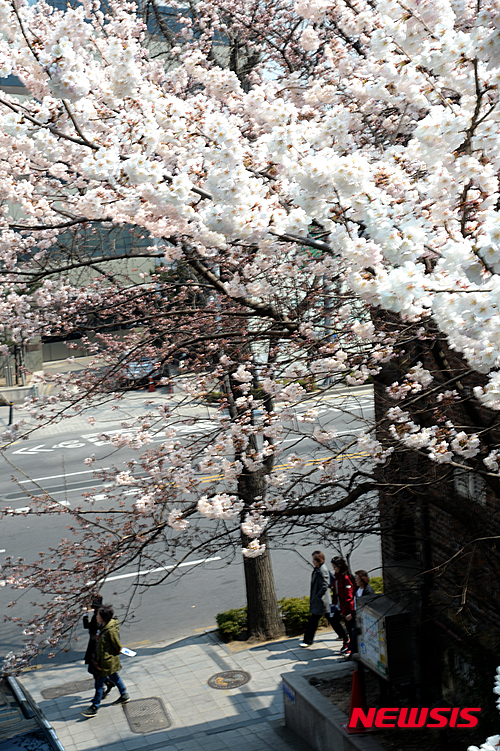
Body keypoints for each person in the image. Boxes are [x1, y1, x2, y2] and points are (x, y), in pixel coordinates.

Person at [81, 605, 130, 718]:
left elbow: (117, 646)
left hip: (105, 662)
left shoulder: (110, 631)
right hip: (102, 660)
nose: (96, 616)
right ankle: (124, 694)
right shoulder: (101, 626)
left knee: (98, 685)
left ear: (103, 617)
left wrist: (109, 656)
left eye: (98, 615)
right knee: (114, 677)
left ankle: (94, 707)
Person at [300, 550, 348, 647]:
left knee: (313, 621)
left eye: (314, 559)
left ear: (319, 560)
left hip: (322, 601)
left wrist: (318, 595)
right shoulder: (318, 569)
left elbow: (325, 584)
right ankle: (343, 635)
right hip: (322, 601)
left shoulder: (322, 570)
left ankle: (307, 640)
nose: (313, 561)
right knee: (332, 619)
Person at [83, 594, 115, 699]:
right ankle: (107, 682)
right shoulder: (98, 614)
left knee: (95, 669)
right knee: (94, 669)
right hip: (93, 645)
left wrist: (85, 615)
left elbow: (88, 626)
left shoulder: (99, 616)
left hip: (95, 646)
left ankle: (102, 691)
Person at [330, 556, 355, 655]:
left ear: (340, 566)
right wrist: (334, 603)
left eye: (335, 567)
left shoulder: (346, 578)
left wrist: (345, 611)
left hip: (347, 608)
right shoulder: (337, 576)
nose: (334, 569)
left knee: (350, 628)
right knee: (333, 620)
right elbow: (336, 592)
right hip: (339, 606)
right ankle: (346, 640)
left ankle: (350, 645)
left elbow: (348, 596)